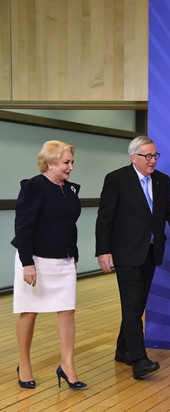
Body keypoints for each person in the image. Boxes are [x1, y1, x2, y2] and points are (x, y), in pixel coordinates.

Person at [95, 135, 170, 379]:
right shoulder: (116, 179)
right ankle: (139, 360)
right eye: (147, 156)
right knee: (131, 304)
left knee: (136, 305)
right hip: (125, 252)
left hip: (151, 251)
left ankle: (122, 350)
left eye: (155, 155)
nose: (152, 161)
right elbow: (105, 218)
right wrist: (103, 250)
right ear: (133, 157)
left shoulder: (162, 181)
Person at [12, 140, 87, 390]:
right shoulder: (34, 187)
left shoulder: (69, 189)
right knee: (29, 311)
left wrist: (73, 256)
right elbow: (23, 227)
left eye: (71, 162)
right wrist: (27, 262)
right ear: (50, 162)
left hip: (64, 260)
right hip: (36, 259)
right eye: (66, 162)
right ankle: (24, 364)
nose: (71, 167)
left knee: (67, 312)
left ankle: (67, 366)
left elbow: (70, 225)